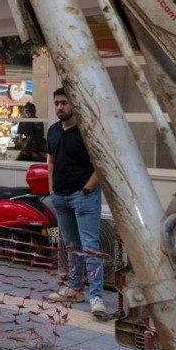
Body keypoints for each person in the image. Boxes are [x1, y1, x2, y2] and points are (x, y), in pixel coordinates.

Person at [45, 87, 107, 317]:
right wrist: (51, 189)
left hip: (84, 197)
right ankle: (75, 289)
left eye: (64, 103)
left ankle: (96, 297)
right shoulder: (53, 131)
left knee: (90, 248)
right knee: (72, 246)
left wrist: (87, 189)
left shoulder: (86, 131)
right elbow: (51, 161)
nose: (60, 107)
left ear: (74, 104)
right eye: (57, 103)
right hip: (60, 197)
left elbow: (101, 164)